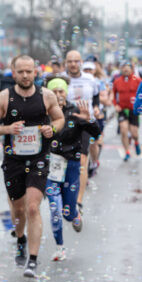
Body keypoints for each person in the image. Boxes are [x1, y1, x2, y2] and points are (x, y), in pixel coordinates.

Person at [0, 55, 64, 277]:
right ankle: (20, 238)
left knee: (33, 207)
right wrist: (8, 129)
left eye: (29, 71)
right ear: (13, 73)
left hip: (39, 157)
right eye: (20, 71)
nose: (25, 75)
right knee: (18, 208)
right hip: (13, 160)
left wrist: (53, 129)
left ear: (35, 72)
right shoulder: (4, 98)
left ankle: (32, 260)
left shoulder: (46, 96)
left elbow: (59, 119)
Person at [44, 75, 100, 261]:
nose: (58, 95)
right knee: (54, 207)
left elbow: (96, 133)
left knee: (67, 212)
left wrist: (89, 119)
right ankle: (60, 247)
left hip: (71, 165)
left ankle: (75, 214)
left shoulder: (75, 111)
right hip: (50, 166)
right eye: (54, 91)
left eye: (61, 91)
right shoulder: (41, 112)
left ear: (66, 93)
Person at [64, 50, 100, 214]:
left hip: (84, 124)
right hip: (66, 124)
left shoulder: (90, 79)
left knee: (82, 161)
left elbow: (96, 98)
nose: (73, 64)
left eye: (76, 61)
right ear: (66, 63)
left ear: (81, 63)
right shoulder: (61, 80)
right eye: (70, 61)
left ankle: (78, 201)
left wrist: (97, 108)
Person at [112, 62, 141, 161]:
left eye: (128, 67)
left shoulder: (138, 80)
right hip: (122, 109)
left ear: (132, 69)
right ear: (121, 69)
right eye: (123, 67)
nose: (126, 69)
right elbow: (113, 95)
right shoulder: (117, 81)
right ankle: (127, 152)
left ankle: (136, 142)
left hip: (134, 110)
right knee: (124, 130)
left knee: (134, 133)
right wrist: (115, 105)